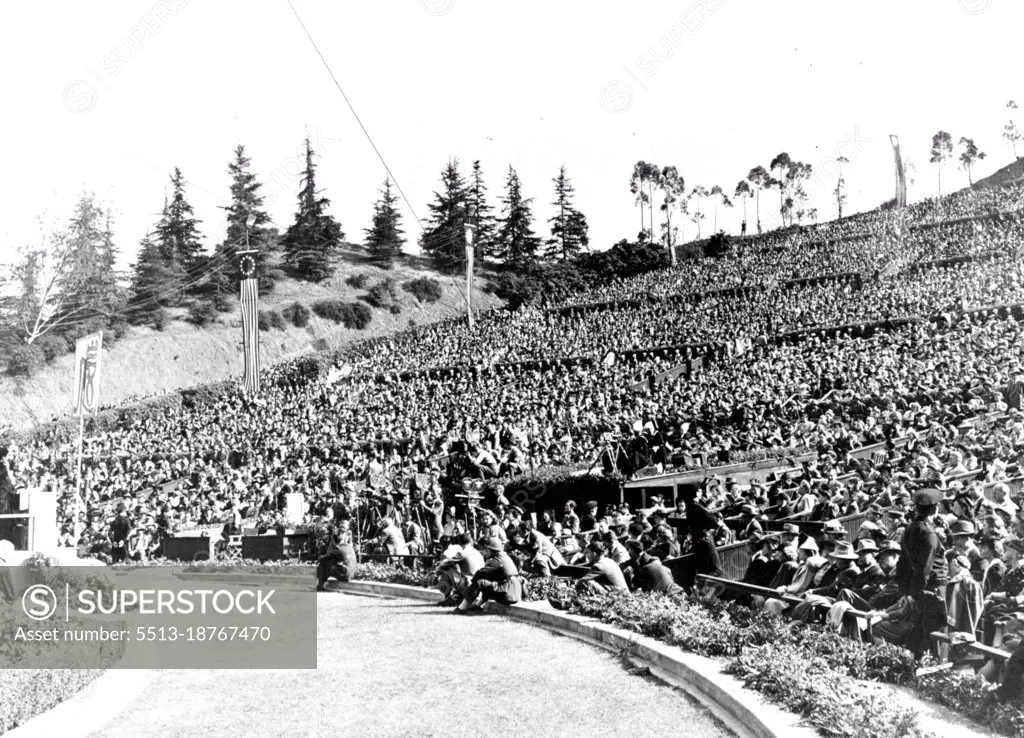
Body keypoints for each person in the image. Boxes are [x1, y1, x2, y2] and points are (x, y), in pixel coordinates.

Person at [453, 537, 522, 613]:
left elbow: (479, 574)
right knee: (488, 583)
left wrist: (472, 583)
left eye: (487, 550)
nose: (486, 552)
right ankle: (477, 606)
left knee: (479, 582)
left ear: (493, 550)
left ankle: (461, 609)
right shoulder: (504, 557)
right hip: (512, 593)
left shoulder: (496, 560)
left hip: (507, 594)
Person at [678, 482, 723, 590]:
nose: (701, 492)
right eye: (699, 490)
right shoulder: (696, 506)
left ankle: (699, 590)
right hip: (705, 539)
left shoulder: (689, 507)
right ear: (694, 492)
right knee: (716, 570)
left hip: (697, 541)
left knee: (704, 569)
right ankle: (700, 589)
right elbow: (713, 521)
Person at [435, 532, 485, 604]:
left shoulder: (463, 553)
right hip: (479, 585)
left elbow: (446, 564)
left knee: (446, 569)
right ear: (471, 541)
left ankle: (448, 597)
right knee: (456, 570)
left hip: (469, 584)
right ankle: (456, 596)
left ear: (459, 543)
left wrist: (436, 574)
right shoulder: (477, 552)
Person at [316, 521, 358, 591]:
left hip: (345, 574)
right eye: (341, 527)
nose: (342, 529)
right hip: (352, 573)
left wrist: (321, 558)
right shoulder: (348, 547)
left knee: (324, 564)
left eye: (344, 527)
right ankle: (321, 584)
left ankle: (320, 585)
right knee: (329, 562)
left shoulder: (340, 548)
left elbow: (324, 557)